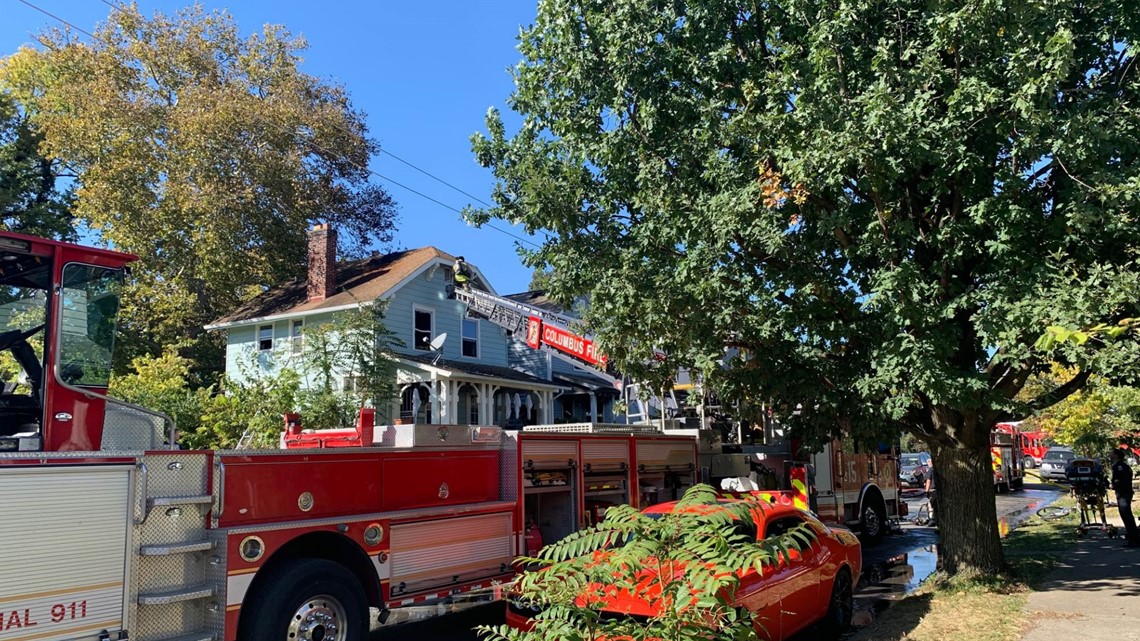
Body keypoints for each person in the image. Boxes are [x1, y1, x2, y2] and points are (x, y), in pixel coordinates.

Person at [1110, 448, 1140, 548]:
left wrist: (1114, 485)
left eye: (1112, 454)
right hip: (1124, 492)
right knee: (1126, 515)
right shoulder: (1122, 466)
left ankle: (1134, 539)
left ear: (1117, 456)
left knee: (1127, 516)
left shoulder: (1119, 467)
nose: (1110, 455)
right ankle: (1132, 537)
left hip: (1123, 493)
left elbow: (1122, 480)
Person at [923, 459, 937, 525]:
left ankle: (932, 519)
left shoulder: (930, 470)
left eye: (928, 463)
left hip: (932, 490)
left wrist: (926, 491)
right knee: (936, 505)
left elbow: (928, 481)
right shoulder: (937, 470)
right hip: (937, 490)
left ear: (929, 463)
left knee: (930, 505)